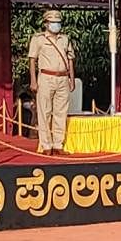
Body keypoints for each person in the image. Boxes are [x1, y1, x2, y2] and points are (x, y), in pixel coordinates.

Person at [28, 9, 75, 155]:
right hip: (46, 77)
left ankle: (58, 144)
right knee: (44, 112)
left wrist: (71, 78)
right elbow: (32, 60)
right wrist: (33, 80)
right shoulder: (38, 39)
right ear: (46, 24)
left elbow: (70, 59)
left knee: (61, 112)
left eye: (58, 22)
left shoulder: (65, 39)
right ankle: (46, 145)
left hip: (62, 78)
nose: (56, 25)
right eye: (53, 22)